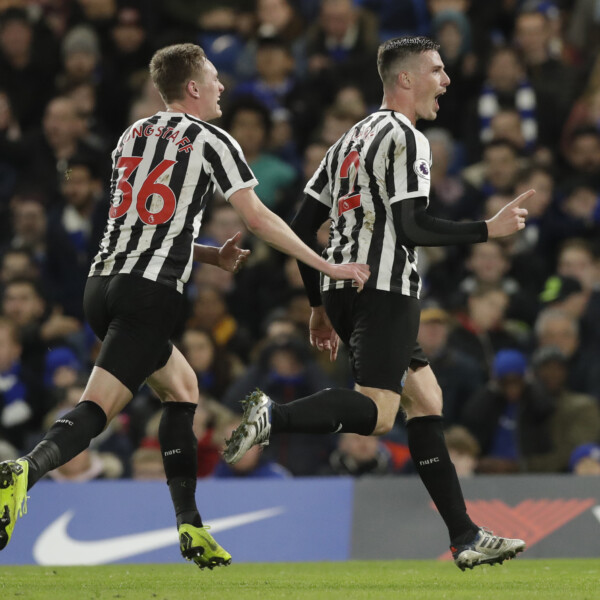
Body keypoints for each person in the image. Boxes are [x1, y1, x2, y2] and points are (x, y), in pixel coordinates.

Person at [0, 43, 369, 568]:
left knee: (183, 388)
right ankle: (23, 472)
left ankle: (191, 525)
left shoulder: (132, 135)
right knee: (98, 408)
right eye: (214, 78)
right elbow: (258, 218)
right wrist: (326, 265)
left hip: (101, 285)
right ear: (193, 87)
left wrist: (212, 255)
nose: (222, 87)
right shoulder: (212, 139)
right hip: (150, 294)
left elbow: (143, 225)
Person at [224, 36, 533, 571]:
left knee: (426, 399)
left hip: (343, 286)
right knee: (379, 414)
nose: (446, 81)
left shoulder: (348, 140)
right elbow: (413, 226)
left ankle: (464, 536)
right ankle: (274, 415)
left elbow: (299, 227)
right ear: (406, 78)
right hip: (385, 288)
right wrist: (489, 229)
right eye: (437, 71)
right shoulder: (407, 137)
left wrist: (318, 303)